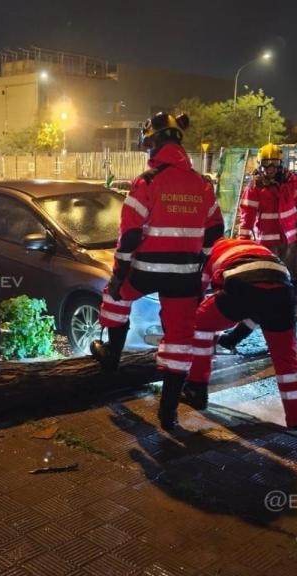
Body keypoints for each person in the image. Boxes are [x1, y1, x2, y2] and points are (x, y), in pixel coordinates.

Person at [90, 112, 224, 431]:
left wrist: (119, 273)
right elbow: (214, 231)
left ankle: (111, 354)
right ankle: (168, 412)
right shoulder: (203, 185)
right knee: (180, 337)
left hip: (145, 270)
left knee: (114, 296)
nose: (148, 150)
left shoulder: (146, 182)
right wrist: (199, 273)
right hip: (184, 277)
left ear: (156, 143)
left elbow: (130, 235)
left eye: (149, 144)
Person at [182, 237, 297, 432]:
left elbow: (198, 295)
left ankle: (196, 388)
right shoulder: (252, 247)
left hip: (242, 286)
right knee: (286, 358)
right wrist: (234, 337)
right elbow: (261, 303)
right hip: (284, 293)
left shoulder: (208, 253)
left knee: (199, 323)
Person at [237, 143, 297, 296]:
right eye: (266, 163)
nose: (270, 167)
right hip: (266, 244)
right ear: (260, 164)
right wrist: (243, 241)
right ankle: (268, 314)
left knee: (294, 279)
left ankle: (291, 313)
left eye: (274, 163)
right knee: (267, 281)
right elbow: (247, 216)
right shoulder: (254, 187)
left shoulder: (292, 182)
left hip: (289, 243)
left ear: (280, 163)